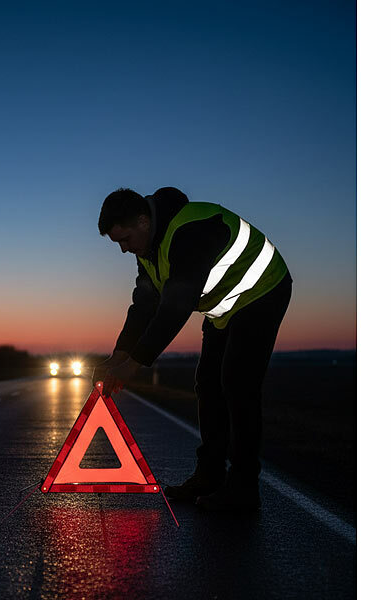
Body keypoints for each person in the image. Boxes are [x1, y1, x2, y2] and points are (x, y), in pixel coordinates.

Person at [92, 187, 292, 511]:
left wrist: (132, 367)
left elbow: (174, 308)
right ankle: (210, 476)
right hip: (226, 307)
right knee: (209, 385)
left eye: (125, 239)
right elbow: (144, 304)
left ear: (143, 221)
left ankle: (244, 490)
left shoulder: (190, 230)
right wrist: (117, 356)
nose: (124, 249)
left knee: (237, 384)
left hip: (262, 290)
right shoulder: (150, 252)